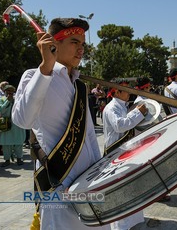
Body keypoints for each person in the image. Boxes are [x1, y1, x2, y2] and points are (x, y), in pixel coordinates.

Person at [12, 18, 109, 229]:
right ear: (54, 43)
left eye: (82, 44)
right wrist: (45, 68)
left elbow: (90, 136)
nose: (81, 49)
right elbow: (22, 120)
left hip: (87, 183)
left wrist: (100, 173)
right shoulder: (34, 76)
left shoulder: (80, 86)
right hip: (58, 183)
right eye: (74, 42)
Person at [102, 79, 147, 230]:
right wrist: (137, 113)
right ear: (116, 92)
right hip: (115, 155)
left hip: (126, 152)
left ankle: (132, 220)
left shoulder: (123, 106)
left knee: (131, 186)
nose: (129, 93)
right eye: (125, 90)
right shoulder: (111, 109)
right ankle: (120, 225)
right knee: (120, 189)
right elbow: (121, 126)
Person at [0, 85, 26, 167]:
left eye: (11, 91)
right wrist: (8, 101)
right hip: (6, 123)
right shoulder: (1, 100)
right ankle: (7, 160)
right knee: (6, 143)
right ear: (4, 92)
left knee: (18, 142)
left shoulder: (18, 99)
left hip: (17, 124)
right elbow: (1, 110)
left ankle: (19, 159)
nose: (10, 93)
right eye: (8, 91)